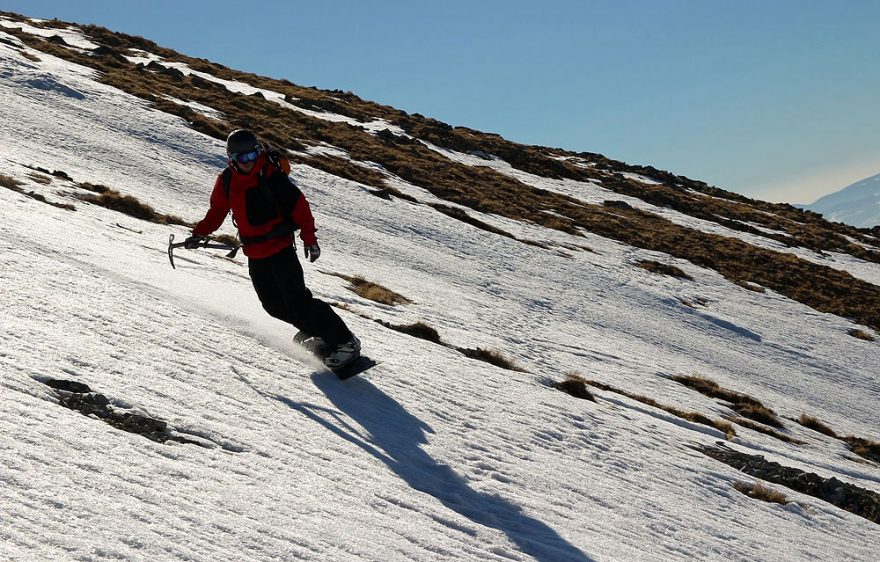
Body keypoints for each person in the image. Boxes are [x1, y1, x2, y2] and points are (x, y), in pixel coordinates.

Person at [185, 129, 360, 368]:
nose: (249, 162)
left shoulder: (270, 175)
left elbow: (300, 207)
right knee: (273, 306)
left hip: (281, 249)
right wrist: (199, 233)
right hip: (255, 253)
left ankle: (346, 342)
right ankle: (316, 332)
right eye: (243, 158)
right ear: (232, 159)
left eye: (253, 155)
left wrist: (310, 239)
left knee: (298, 302)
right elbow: (217, 211)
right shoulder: (226, 180)